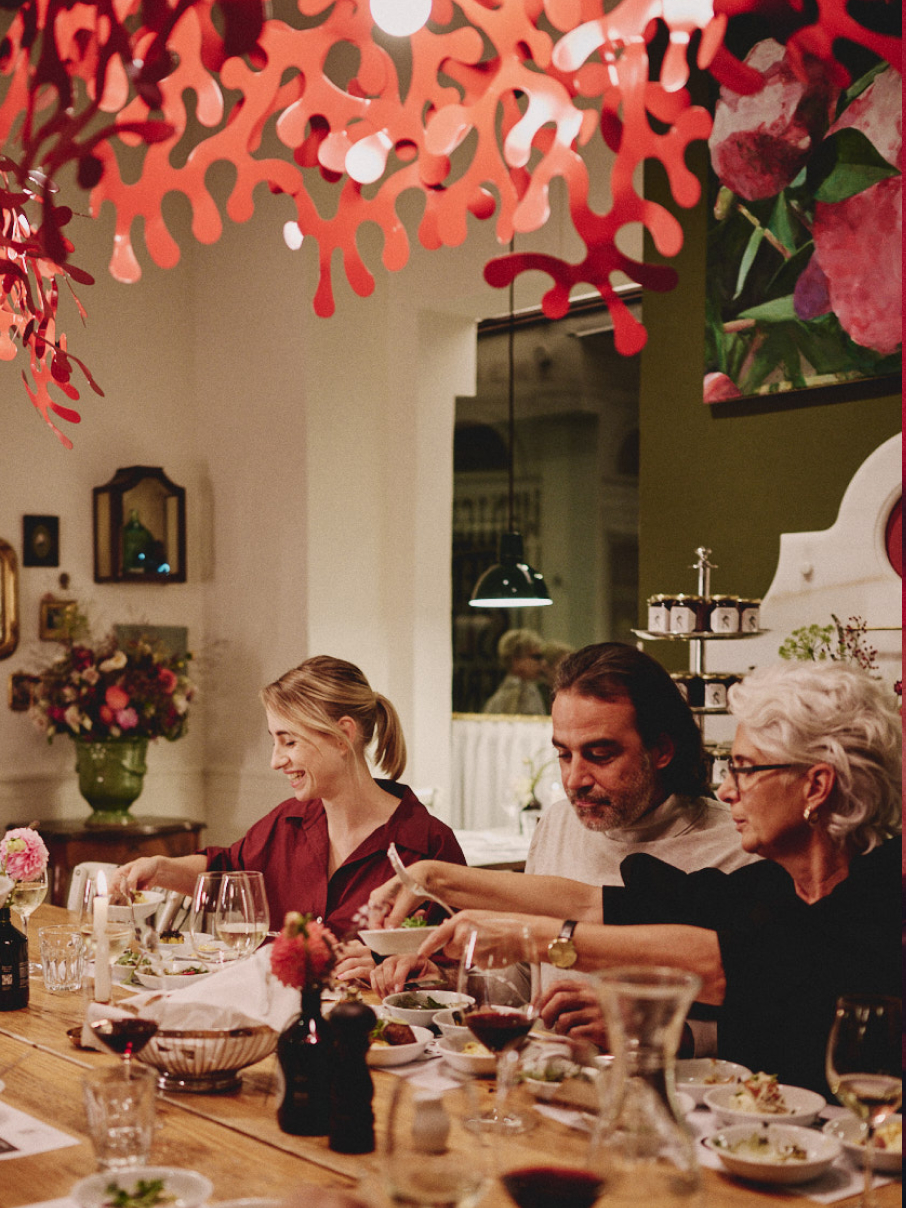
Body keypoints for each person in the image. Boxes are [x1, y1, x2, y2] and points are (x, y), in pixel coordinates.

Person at [370, 661, 901, 1094]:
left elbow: (721, 962)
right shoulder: (775, 886)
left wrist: (532, 938)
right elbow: (595, 901)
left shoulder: (877, 901)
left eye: (745, 768)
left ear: (816, 786)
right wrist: (436, 878)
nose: (727, 790)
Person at [371, 642, 757, 1019]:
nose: (574, 779)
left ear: (661, 751)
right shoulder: (557, 824)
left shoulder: (737, 845)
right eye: (563, 754)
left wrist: (653, 1029)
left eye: (600, 755)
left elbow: (758, 1013)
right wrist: (446, 982)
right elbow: (525, 977)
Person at [113, 655, 466, 981]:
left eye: (289, 742)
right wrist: (159, 869)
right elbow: (228, 874)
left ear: (343, 735)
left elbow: (464, 972)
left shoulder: (428, 847)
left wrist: (400, 966)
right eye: (274, 742)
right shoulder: (287, 822)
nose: (276, 761)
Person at [483, 628, 547, 715]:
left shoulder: (530, 689)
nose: (543, 663)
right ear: (516, 660)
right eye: (536, 657)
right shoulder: (512, 695)